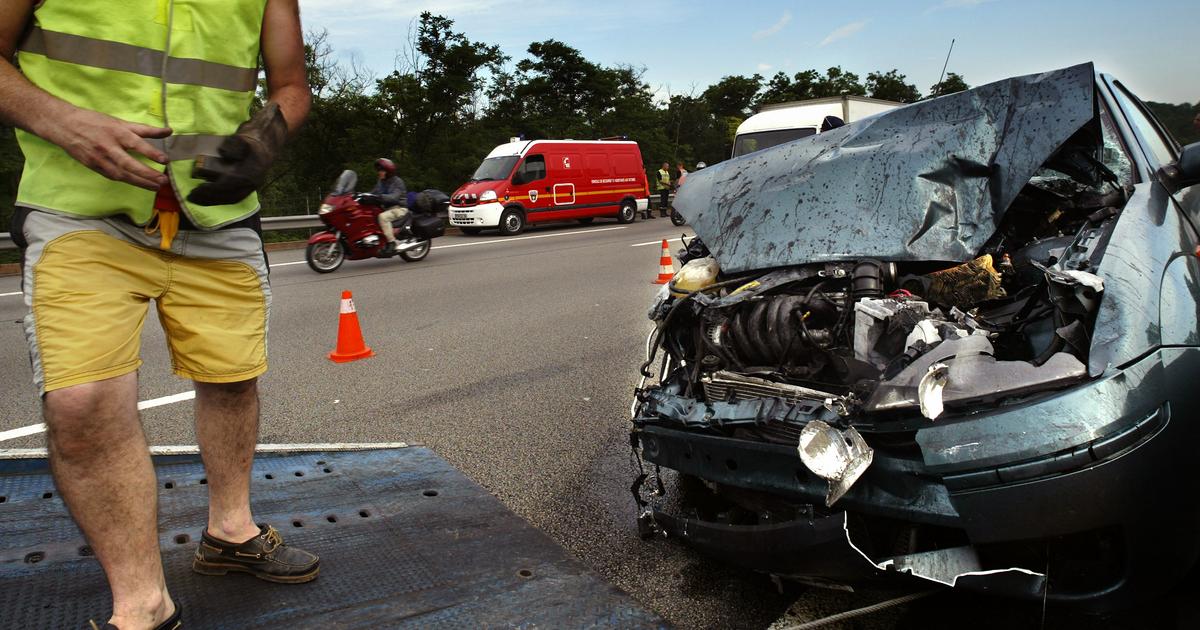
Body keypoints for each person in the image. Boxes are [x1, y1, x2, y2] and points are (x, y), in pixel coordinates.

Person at [0, 2, 315, 629]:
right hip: (82, 209)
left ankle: (231, 531)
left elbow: (290, 85)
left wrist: (264, 138)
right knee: (82, 401)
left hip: (216, 211)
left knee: (231, 378)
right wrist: (62, 121)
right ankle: (143, 604)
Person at [371, 157, 409, 254]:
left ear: (388, 172)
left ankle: (392, 242)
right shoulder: (381, 182)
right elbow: (373, 193)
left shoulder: (397, 182)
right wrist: (361, 196)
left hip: (399, 208)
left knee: (382, 217)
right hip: (387, 208)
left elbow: (394, 197)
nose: (379, 173)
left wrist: (380, 197)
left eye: (382, 171)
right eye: (379, 171)